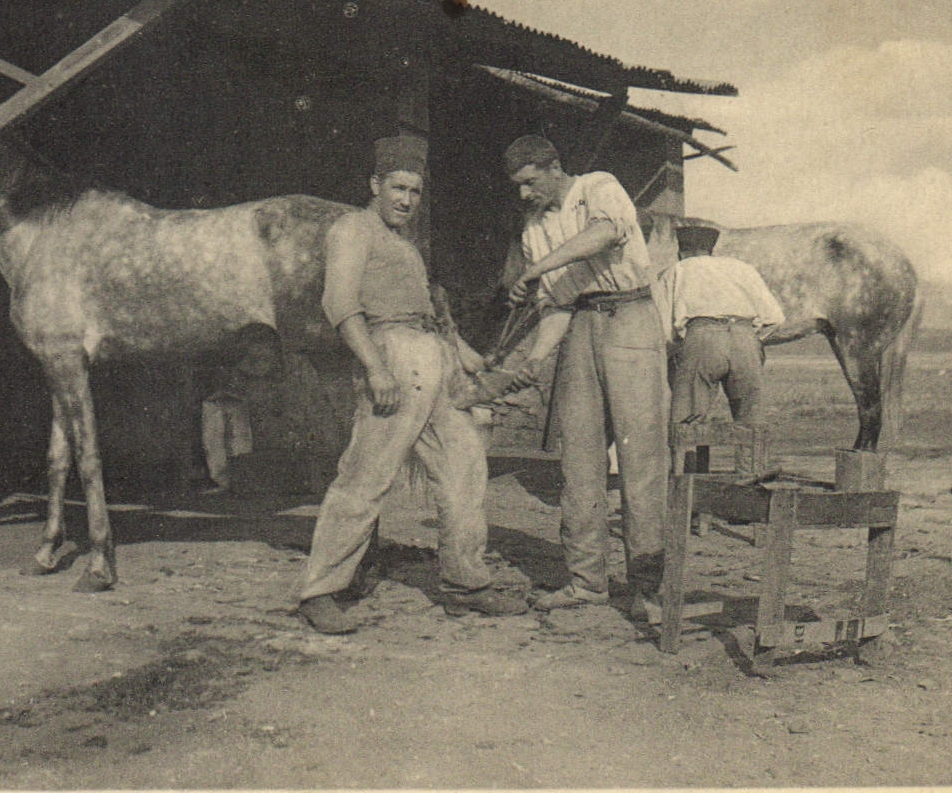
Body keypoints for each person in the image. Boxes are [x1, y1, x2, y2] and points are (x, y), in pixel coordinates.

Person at [295, 135, 528, 634]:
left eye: (415, 192)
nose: (406, 200)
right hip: (392, 356)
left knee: (465, 464)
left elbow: (435, 320)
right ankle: (320, 591)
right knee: (366, 476)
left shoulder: (405, 246)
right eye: (398, 188)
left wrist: (472, 360)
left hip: (433, 360)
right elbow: (340, 305)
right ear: (374, 185)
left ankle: (465, 581)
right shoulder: (353, 229)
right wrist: (376, 369)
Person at [502, 135, 669, 612]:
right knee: (578, 462)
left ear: (554, 167)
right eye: (517, 186)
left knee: (640, 462)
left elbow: (607, 234)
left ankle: (649, 589)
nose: (524, 194)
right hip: (578, 326)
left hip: (632, 320)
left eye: (530, 183)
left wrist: (538, 270)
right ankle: (586, 581)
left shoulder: (599, 186)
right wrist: (535, 361)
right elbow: (556, 305)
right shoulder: (534, 229)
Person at [655, 223, 785, 426]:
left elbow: (665, 331)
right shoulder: (742, 268)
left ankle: (689, 457)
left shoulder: (676, 270)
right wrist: (752, 339)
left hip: (702, 337)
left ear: (680, 253)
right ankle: (754, 458)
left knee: (687, 421)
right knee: (751, 423)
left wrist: (680, 351)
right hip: (745, 337)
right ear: (711, 251)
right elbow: (776, 318)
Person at [199, 323, 327, 495]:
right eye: (253, 359)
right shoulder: (232, 388)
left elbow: (315, 422)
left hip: (293, 460)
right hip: (252, 465)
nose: (258, 365)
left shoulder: (297, 374)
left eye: (264, 358)